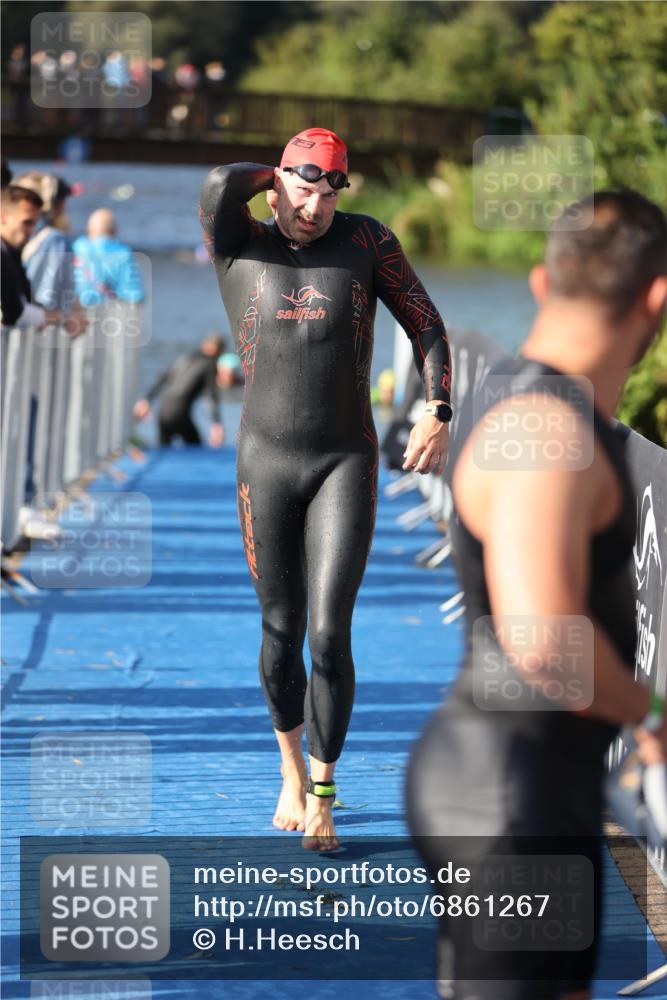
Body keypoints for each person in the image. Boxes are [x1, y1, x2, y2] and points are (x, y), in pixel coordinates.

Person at [407, 190, 667, 1000]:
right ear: (657, 300)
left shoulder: (536, 401)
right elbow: (544, 641)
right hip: (502, 798)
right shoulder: (543, 431)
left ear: (539, 281)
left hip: (543, 791)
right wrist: (650, 715)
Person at [200, 127, 453, 850]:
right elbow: (220, 179)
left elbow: (427, 325)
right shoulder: (238, 241)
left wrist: (436, 409)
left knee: (328, 633)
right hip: (266, 464)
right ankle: (286, 766)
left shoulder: (366, 242)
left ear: (343, 192)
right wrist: (277, 174)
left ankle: (322, 792)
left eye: (325, 192)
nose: (311, 207)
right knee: (280, 632)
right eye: (299, 190)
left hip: (345, 459)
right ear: (276, 183)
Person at [133, 333, 225, 447]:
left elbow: (162, 379)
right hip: (179, 412)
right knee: (196, 451)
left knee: (164, 450)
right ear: (219, 350)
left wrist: (146, 400)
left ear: (204, 345)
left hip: (163, 409)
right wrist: (216, 424)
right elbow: (212, 395)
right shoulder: (210, 364)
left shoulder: (184, 358)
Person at [72, 208, 144, 306]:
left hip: (77, 311)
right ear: (115, 230)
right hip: (109, 313)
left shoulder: (78, 247)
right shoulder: (124, 254)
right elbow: (135, 296)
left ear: (89, 229)